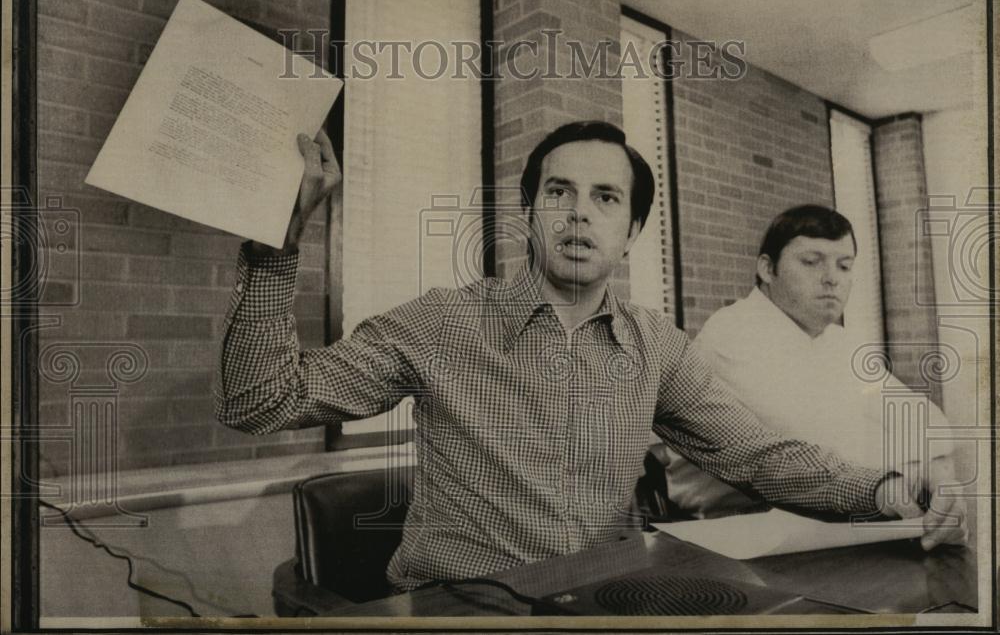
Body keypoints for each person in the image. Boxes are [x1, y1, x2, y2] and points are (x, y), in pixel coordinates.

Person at [216, 123, 964, 592]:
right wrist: (276, 245)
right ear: (528, 213)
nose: (580, 211)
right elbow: (262, 401)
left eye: (607, 198)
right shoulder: (444, 322)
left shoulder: (655, 344)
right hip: (468, 606)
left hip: (606, 598)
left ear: (632, 227)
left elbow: (764, 456)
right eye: (559, 191)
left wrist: (892, 487)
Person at [666, 205, 959, 519]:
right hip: (735, 535)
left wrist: (932, 474)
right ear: (767, 269)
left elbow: (928, 423)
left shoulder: (841, 343)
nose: (832, 279)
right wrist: (915, 471)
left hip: (835, 524)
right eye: (811, 262)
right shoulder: (732, 334)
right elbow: (816, 451)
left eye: (844, 266)